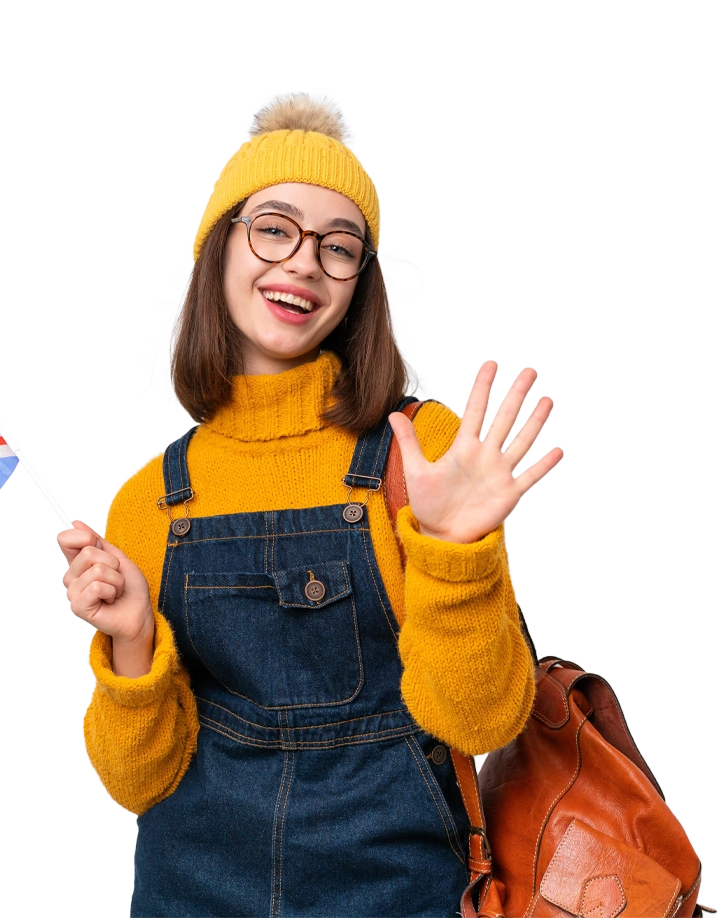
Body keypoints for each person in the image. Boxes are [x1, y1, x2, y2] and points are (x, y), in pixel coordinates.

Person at [59, 91, 563, 917]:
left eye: (339, 247)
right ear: (218, 246)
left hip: (398, 891)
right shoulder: (150, 498)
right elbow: (134, 780)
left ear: (358, 283)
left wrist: (456, 555)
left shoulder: (420, 452)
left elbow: (481, 723)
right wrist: (132, 644)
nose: (301, 263)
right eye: (273, 228)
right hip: (191, 892)